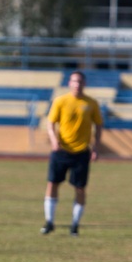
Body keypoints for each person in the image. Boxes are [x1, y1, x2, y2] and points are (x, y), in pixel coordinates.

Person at [41, 70, 103, 237]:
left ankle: (75, 225)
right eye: (74, 81)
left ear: (84, 84)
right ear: (69, 83)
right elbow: (51, 122)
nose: (77, 84)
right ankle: (49, 222)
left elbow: (98, 125)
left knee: (80, 188)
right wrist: (54, 140)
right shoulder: (60, 101)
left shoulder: (91, 103)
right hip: (61, 151)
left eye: (80, 82)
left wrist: (96, 147)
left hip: (82, 152)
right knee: (52, 184)